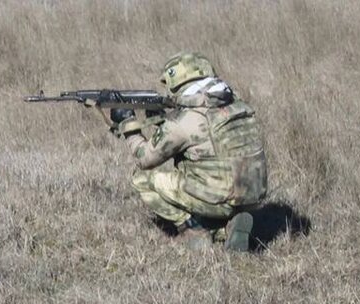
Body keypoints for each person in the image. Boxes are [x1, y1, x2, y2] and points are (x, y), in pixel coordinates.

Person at [108, 52, 268, 251]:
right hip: (252, 195)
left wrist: (127, 125)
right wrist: (161, 122)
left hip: (218, 197)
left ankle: (193, 230)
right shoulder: (237, 104)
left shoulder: (185, 120)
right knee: (205, 175)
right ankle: (231, 223)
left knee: (142, 178)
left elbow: (145, 159)